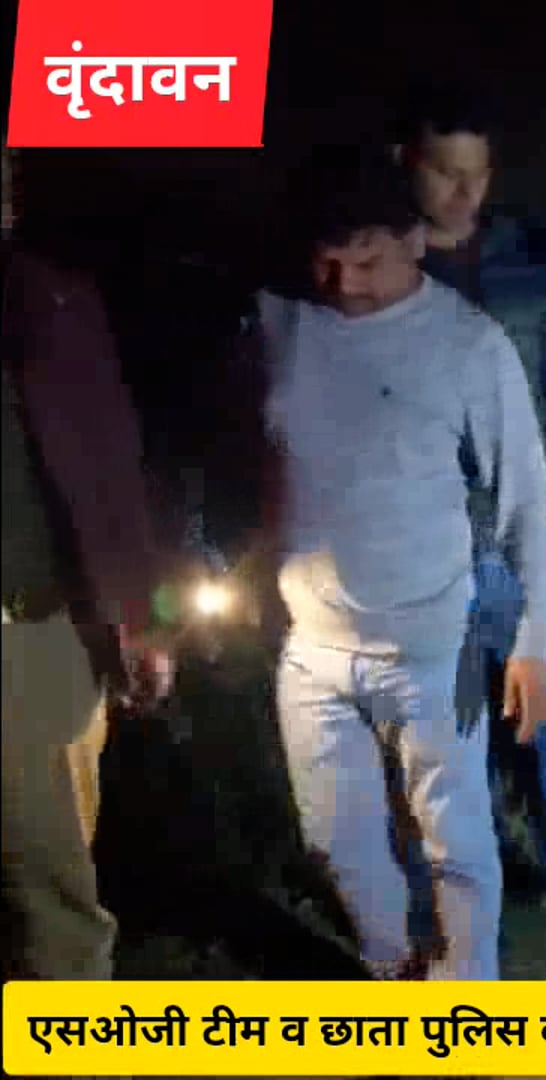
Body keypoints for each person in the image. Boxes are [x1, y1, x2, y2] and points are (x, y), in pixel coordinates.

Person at [258, 148, 546, 980]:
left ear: (414, 241)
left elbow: (529, 501)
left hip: (432, 646)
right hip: (311, 645)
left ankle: (468, 990)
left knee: (456, 844)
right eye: (329, 261)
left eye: (367, 261)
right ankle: (395, 973)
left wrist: (539, 636)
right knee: (334, 841)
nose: (345, 284)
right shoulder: (280, 321)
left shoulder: (467, 345)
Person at [396, 93, 546, 937]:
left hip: (528, 531)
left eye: (478, 174)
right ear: (407, 165)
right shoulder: (381, 266)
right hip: (424, 541)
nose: (464, 192)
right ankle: (446, 880)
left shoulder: (531, 263)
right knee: (439, 721)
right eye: (444, 172)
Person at [2, 146, 175, 980]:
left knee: (49, 889)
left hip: (33, 632)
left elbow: (113, 472)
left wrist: (143, 623)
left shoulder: (55, 303)